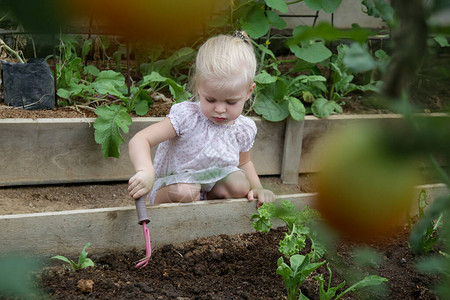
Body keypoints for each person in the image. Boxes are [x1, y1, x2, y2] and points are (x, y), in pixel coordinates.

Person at [127, 31, 275, 208]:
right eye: (210, 100)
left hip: (210, 184)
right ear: (199, 86)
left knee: (239, 184)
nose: (219, 109)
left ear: (248, 92)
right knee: (187, 192)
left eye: (231, 102)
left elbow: (244, 162)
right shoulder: (188, 117)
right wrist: (145, 171)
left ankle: (207, 220)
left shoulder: (243, 128)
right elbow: (141, 139)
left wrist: (258, 187)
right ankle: (166, 213)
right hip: (175, 186)